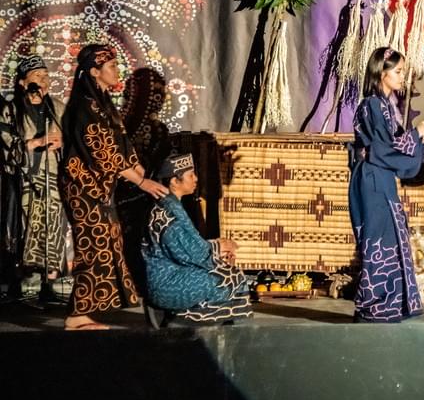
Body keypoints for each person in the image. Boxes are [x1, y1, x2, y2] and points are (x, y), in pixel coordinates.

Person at [59, 44, 168, 330]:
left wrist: (137, 167)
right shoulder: (84, 106)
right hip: (83, 185)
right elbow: (101, 151)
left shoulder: (102, 103)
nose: (116, 71)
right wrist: (140, 181)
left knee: (107, 242)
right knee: (92, 245)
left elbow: (120, 143)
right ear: (94, 72)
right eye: (111, 67)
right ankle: (77, 314)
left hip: (100, 186)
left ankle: (85, 310)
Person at [348, 47, 424, 323]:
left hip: (382, 178)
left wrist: (421, 143)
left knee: (390, 239)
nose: (403, 76)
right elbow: (381, 148)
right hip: (372, 178)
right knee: (378, 241)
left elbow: (396, 149)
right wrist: (416, 133)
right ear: (382, 72)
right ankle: (374, 306)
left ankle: (385, 305)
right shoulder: (372, 105)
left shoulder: (387, 107)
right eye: (398, 71)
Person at [141, 153, 252, 325]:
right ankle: (183, 323)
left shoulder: (171, 205)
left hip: (174, 276)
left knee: (226, 270)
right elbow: (191, 253)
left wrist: (218, 250)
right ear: (174, 181)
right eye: (190, 175)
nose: (196, 179)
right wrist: (219, 247)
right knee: (228, 277)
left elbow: (192, 249)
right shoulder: (168, 213)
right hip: (166, 285)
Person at [0, 56, 70, 289]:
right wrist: (33, 143)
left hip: (52, 175)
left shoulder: (57, 107)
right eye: (38, 76)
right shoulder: (10, 110)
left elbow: (72, 140)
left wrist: (63, 144)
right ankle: (23, 277)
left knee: (53, 224)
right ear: (23, 82)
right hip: (24, 179)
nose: (44, 80)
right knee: (25, 223)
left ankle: (49, 280)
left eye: (46, 75)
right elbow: (5, 142)